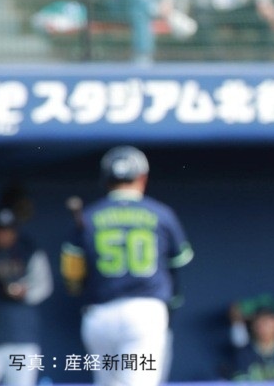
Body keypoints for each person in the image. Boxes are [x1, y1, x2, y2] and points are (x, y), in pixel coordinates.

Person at [59, 145, 195, 386]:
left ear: (106, 179)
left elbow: (72, 276)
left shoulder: (89, 216)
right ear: (142, 177)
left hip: (99, 315)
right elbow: (178, 262)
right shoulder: (161, 214)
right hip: (145, 312)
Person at [0, 208, 53, 386]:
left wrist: (24, 292)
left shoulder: (28, 249)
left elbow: (44, 285)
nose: (4, 234)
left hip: (22, 336)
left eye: (8, 230)